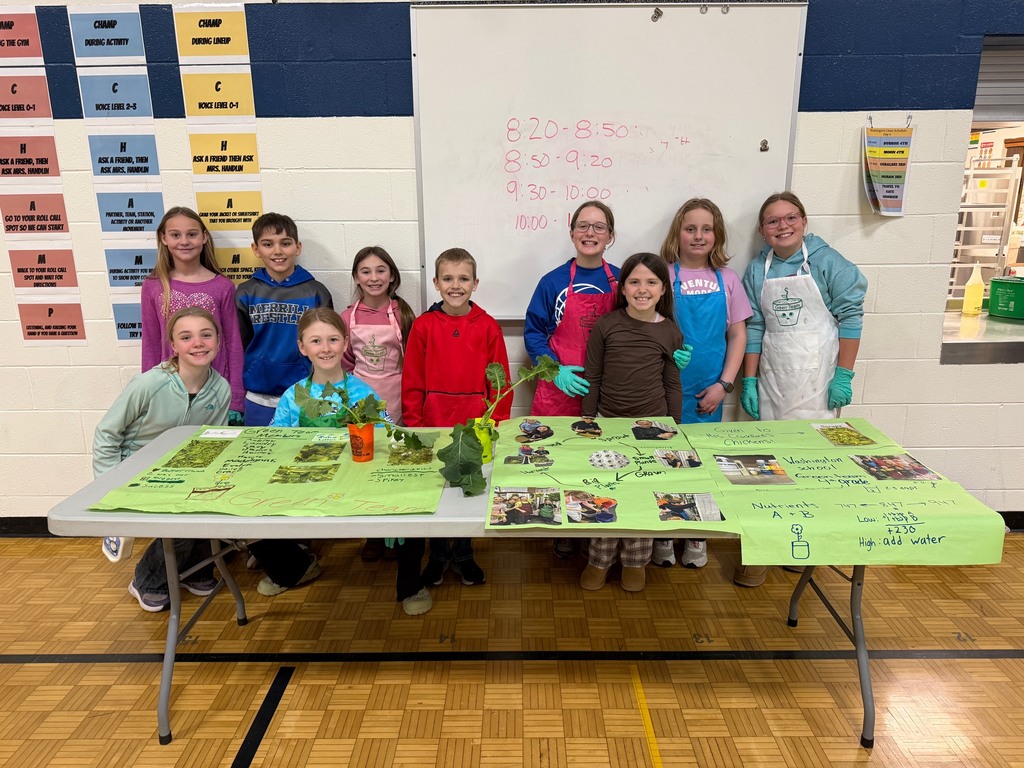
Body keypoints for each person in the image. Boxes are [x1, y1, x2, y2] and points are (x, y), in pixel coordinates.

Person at [736, 191, 867, 587]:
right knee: (762, 469)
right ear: (762, 230)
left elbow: (851, 317)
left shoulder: (828, 263)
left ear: (804, 221)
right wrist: (749, 379)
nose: (783, 227)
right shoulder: (758, 270)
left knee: (811, 467)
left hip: (818, 381)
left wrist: (844, 375)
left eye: (790, 218)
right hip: (774, 378)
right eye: (773, 221)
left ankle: (802, 546)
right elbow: (755, 327)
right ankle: (761, 551)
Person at [93, 307, 231, 612]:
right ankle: (147, 580)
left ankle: (195, 570)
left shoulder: (220, 388)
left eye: (206, 335)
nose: (198, 343)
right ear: (174, 345)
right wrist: (108, 484)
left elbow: (212, 442)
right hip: (136, 473)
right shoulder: (148, 384)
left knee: (213, 510)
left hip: (186, 471)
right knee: (180, 522)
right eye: (186, 337)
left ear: (218, 342)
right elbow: (107, 433)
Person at [253, 309, 385, 598]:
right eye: (316, 341)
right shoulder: (293, 395)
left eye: (333, 339)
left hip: (352, 482)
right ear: (302, 347)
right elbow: (276, 442)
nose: (325, 349)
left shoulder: (364, 393)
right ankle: (290, 560)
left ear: (345, 343)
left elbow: (384, 436)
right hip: (304, 482)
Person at [402, 248, 512, 591]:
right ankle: (437, 556)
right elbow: (412, 380)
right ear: (436, 283)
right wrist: (415, 426)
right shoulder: (423, 326)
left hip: (475, 427)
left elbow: (501, 382)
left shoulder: (488, 327)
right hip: (433, 425)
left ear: (475, 283)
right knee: (438, 492)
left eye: (463, 278)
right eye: (448, 278)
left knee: (468, 493)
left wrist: (495, 425)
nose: (455, 285)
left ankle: (464, 554)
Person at [656, 197, 753, 569]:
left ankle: (697, 536)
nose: (698, 236)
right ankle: (664, 535)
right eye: (690, 228)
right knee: (664, 458)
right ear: (677, 233)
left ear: (717, 235)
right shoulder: (663, 274)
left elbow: (738, 336)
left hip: (709, 388)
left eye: (706, 229)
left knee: (703, 463)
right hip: (665, 387)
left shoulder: (728, 279)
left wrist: (724, 385)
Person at [579, 252, 683, 592]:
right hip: (608, 423)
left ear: (663, 289)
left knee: (642, 494)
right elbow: (592, 377)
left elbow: (672, 382)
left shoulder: (670, 331)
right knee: (606, 492)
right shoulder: (607, 325)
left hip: (653, 428)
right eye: (634, 282)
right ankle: (599, 559)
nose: (643, 289)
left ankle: (636, 561)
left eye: (651, 282)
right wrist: (587, 420)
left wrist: (675, 426)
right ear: (622, 288)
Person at [524, 201, 622, 559]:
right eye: (583, 226)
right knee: (559, 460)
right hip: (558, 388)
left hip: (607, 388)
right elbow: (533, 332)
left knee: (598, 460)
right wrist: (554, 369)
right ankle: (560, 530)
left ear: (610, 236)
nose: (590, 233)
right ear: (571, 233)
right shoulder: (551, 282)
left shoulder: (622, 280)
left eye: (599, 227)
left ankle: (594, 531)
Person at [340, 246, 417, 563]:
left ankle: (399, 532)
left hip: (399, 394)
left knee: (394, 465)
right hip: (360, 400)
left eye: (381, 270)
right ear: (357, 277)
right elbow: (343, 363)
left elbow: (414, 361)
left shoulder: (405, 314)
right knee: (365, 466)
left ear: (392, 276)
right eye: (366, 271)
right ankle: (372, 533)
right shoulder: (346, 317)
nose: (374, 277)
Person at [141, 206, 245, 423]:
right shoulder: (153, 286)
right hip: (168, 389)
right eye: (175, 235)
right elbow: (150, 343)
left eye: (192, 234)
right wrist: (148, 392)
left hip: (213, 390)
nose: (184, 241)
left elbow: (233, 343)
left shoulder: (223, 287)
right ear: (164, 238)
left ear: (204, 237)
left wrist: (236, 398)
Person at [235, 212, 333, 427]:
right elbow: (239, 345)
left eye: (285, 243)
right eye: (268, 244)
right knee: (260, 458)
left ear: (297, 247)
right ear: (256, 249)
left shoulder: (315, 292)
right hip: (259, 396)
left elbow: (327, 346)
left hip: (306, 394)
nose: (277, 251)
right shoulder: (246, 292)